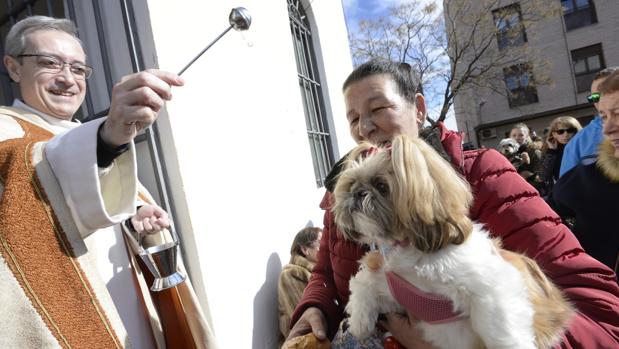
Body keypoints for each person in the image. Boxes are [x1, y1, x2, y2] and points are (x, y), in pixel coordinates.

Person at [283, 59, 619, 349]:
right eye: (354, 118)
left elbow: (595, 309)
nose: (365, 128)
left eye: (378, 109)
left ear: (418, 107)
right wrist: (315, 307)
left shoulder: (482, 174)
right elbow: (325, 273)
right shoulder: (343, 195)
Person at [0, 16, 213, 349]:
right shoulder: (7, 133)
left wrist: (135, 217)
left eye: (78, 69)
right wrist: (109, 137)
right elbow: (33, 173)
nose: (67, 79)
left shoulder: (77, 136)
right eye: (50, 64)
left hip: (133, 321)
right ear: (14, 68)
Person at [553, 69, 619, 276]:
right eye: (603, 116)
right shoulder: (590, 174)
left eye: (617, 113)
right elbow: (558, 202)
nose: (607, 129)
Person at [560, 67, 618, 177]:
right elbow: (568, 188)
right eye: (595, 97)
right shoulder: (577, 143)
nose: (602, 101)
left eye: (607, 93)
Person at [278, 227, 322, 341]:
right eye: (321, 242)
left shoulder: (321, 273)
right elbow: (303, 320)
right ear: (305, 249)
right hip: (303, 343)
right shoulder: (290, 275)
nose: (326, 246)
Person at [539, 116, 582, 199]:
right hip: (561, 194)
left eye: (570, 130)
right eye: (560, 131)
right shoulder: (548, 150)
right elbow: (542, 176)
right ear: (554, 134)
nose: (565, 134)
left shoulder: (582, 146)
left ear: (576, 131)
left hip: (581, 190)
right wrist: (552, 151)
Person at [509, 122, 543, 190]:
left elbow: (541, 179)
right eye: (514, 135)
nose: (517, 138)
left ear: (527, 137)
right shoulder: (509, 155)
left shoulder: (535, 152)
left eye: (521, 135)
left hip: (534, 193)